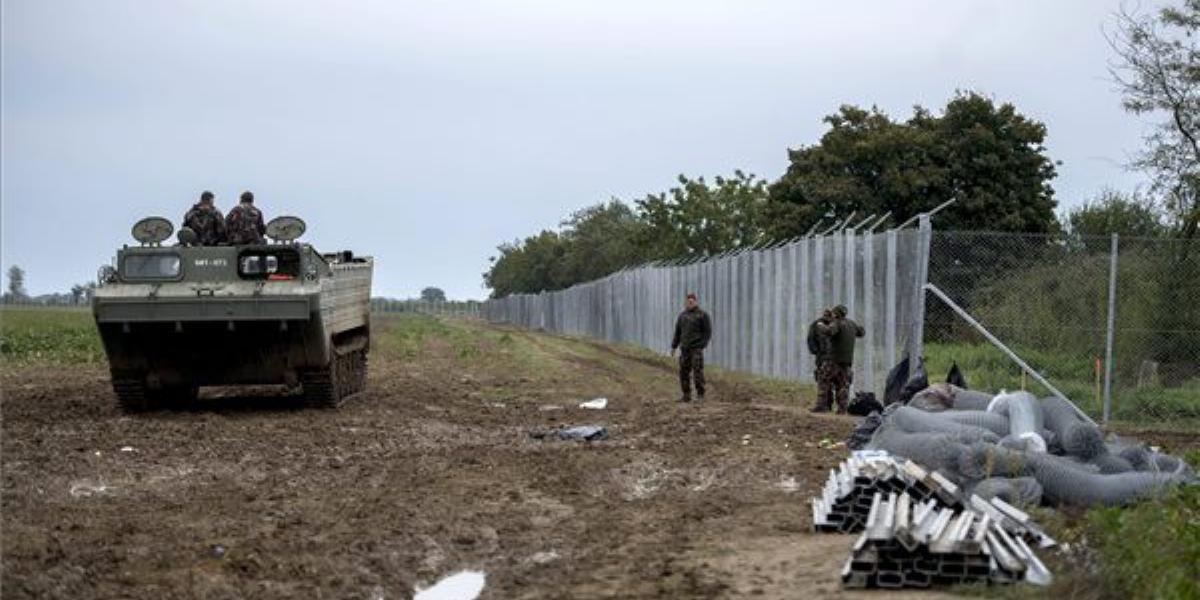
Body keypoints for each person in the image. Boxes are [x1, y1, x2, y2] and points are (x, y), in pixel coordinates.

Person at [815, 305, 864, 414]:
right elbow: (861, 332)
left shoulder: (837, 323)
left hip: (833, 359)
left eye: (833, 313)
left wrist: (821, 325)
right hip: (847, 361)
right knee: (843, 384)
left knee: (823, 379)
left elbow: (830, 331)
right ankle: (842, 409)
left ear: (836, 314)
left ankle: (821, 406)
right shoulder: (851, 324)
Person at [670, 292, 712, 403]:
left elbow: (707, 332)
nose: (690, 303)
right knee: (683, 372)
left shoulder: (702, 315)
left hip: (696, 349)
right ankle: (686, 395)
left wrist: (702, 344)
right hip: (684, 348)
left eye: (692, 301)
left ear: (695, 301)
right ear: (685, 302)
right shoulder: (682, 316)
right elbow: (678, 332)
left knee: (697, 371)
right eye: (688, 301)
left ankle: (700, 395)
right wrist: (674, 346)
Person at [807, 308, 836, 412]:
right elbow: (810, 339)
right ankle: (825, 404)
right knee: (823, 380)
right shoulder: (816, 325)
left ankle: (828, 404)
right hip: (823, 357)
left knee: (829, 381)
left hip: (831, 358)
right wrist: (816, 352)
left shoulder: (833, 325)